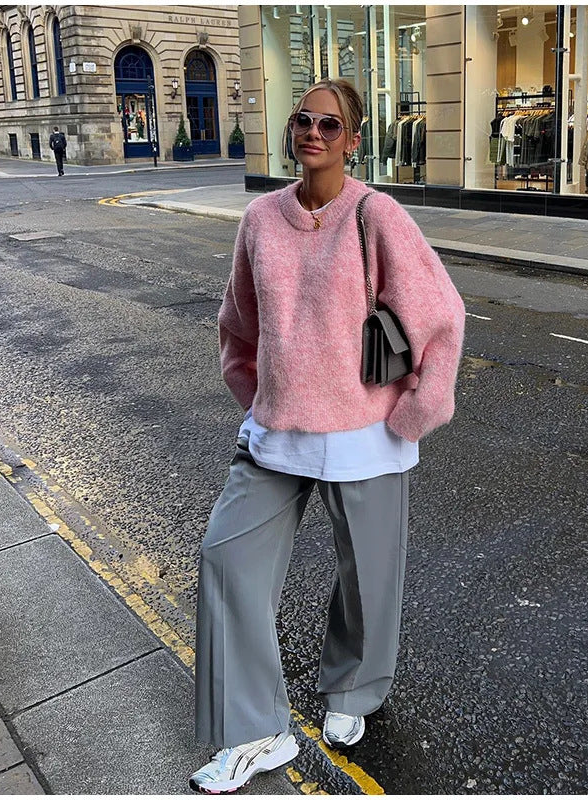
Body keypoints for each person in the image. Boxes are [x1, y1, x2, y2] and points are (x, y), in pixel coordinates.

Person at [189, 78, 466, 794]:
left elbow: (440, 314)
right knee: (226, 558)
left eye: (330, 124)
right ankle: (256, 729)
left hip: (366, 432)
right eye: (304, 120)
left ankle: (353, 691)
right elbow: (238, 323)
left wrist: (414, 414)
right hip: (277, 431)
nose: (314, 132)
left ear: (354, 140)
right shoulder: (260, 218)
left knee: (368, 581)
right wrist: (257, 395)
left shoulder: (377, 215)